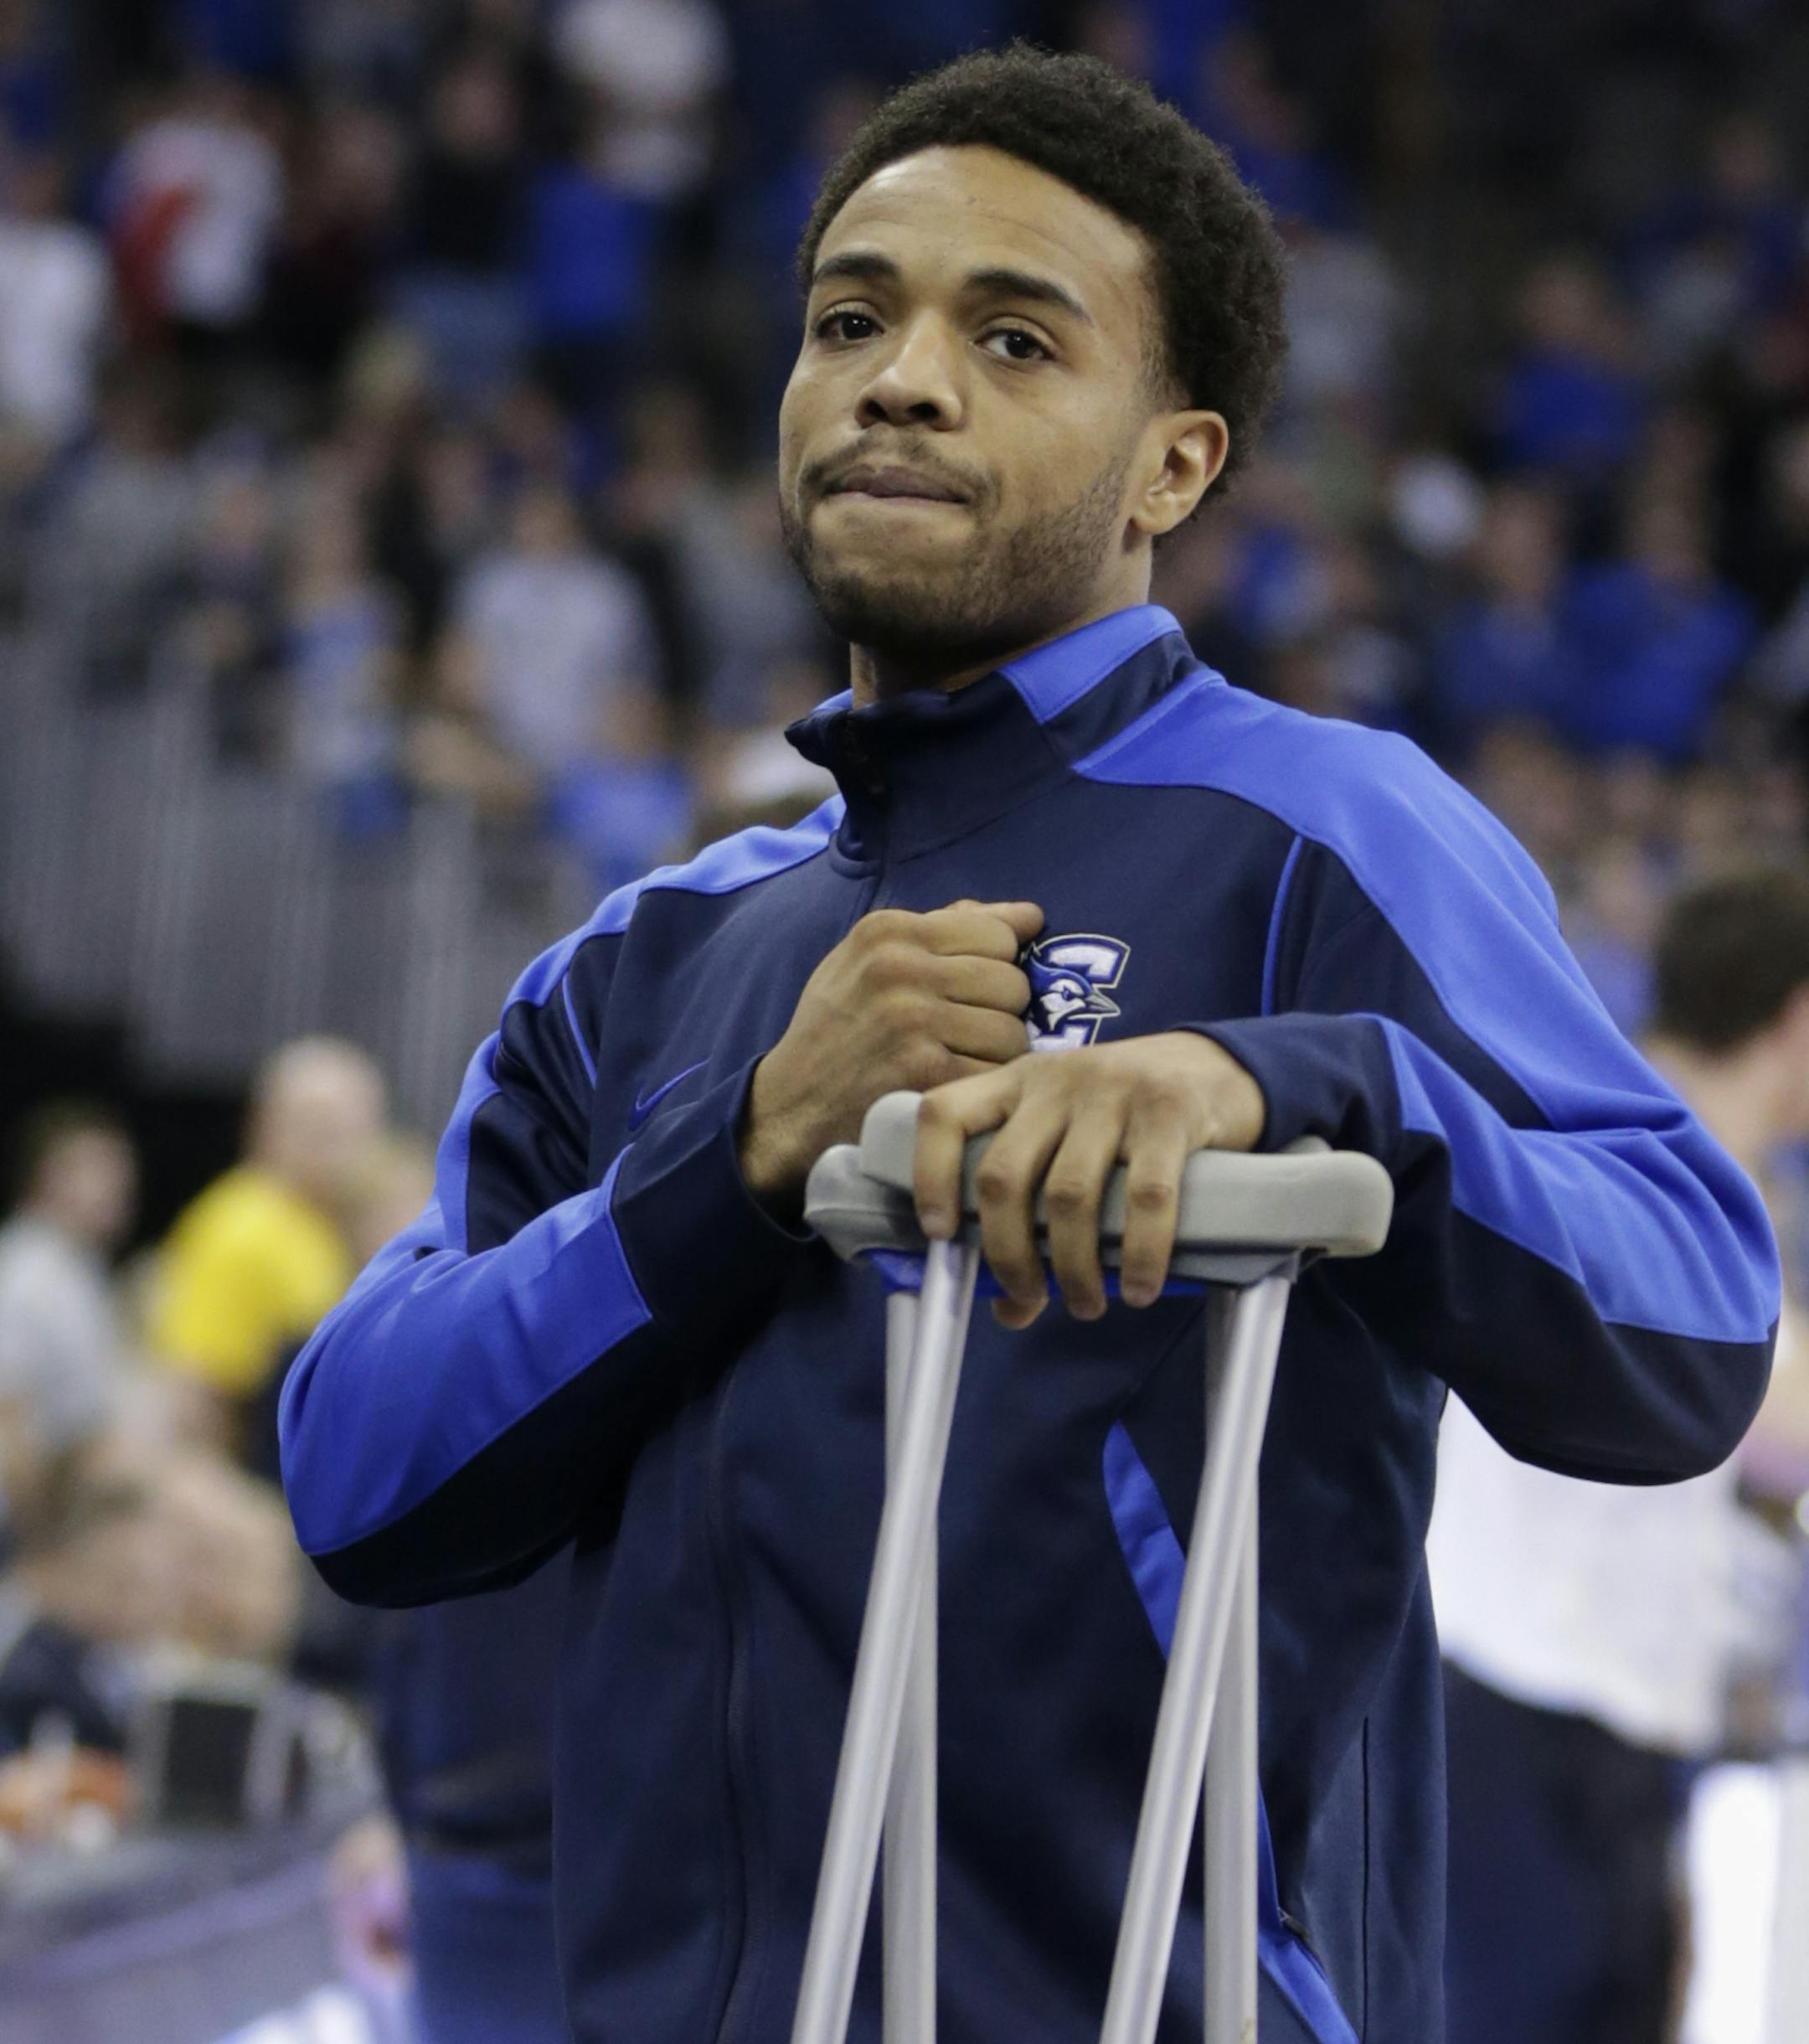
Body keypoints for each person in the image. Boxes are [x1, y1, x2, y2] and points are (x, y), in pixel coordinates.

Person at [281, 49, 1777, 2044]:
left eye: (1010, 335)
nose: (899, 377)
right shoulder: (654, 950)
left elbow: (1685, 1326)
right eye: (847, 319)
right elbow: (365, 1475)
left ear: (1173, 462)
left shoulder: (1326, 825)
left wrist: (1299, 1083)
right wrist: (734, 1160)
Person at [1431, 860, 1809, 2044]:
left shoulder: (1695, 1170)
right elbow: (1767, 1413)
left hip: (1597, 1720)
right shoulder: (1635, 1157)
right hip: (1525, 1706)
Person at [150, 1036, 384, 1469]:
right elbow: (197, 1394)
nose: (340, 1148)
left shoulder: (319, 1226)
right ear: (264, 1124)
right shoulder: (241, 1227)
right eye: (320, 1126)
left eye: (355, 1128)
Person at [0, 1102, 138, 1533]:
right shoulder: (27, 1274)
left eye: (119, 1172)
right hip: (34, 1521)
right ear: (46, 1177)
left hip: (77, 1492)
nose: (114, 1188)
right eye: (92, 1171)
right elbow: (9, 1430)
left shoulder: (78, 1268)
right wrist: (49, 1543)